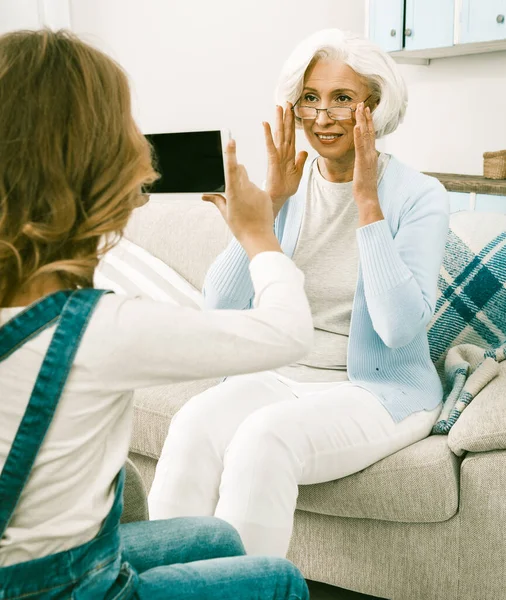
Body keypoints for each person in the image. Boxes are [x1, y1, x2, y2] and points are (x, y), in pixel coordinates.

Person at [0, 29, 314, 599]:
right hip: (61, 589)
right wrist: (258, 234)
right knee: (279, 581)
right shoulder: (102, 330)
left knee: (216, 535)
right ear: (99, 164)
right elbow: (289, 332)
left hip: (32, 561)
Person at [148, 28, 450, 558]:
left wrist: (367, 203)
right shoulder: (290, 186)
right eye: (310, 98)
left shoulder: (421, 196)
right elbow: (220, 304)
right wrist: (273, 201)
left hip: (377, 391)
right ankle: (164, 583)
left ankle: (242, 591)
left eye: (343, 99)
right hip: (282, 376)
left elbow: (400, 328)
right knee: (194, 423)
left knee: (264, 439)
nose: (323, 116)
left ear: (374, 109)